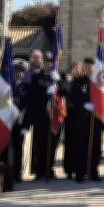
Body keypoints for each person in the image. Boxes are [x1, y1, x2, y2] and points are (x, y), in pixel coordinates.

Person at [22, 50, 67, 180]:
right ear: (43, 63)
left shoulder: (59, 75)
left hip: (55, 117)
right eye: (46, 62)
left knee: (53, 144)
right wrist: (46, 91)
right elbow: (33, 97)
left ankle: (50, 169)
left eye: (51, 62)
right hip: (41, 116)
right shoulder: (37, 76)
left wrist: (58, 82)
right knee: (40, 144)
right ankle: (39, 171)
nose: (48, 65)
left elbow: (66, 91)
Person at [66, 58, 102, 182]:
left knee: (95, 147)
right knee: (80, 147)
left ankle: (93, 171)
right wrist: (82, 105)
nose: (88, 69)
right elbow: (71, 100)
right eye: (86, 67)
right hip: (80, 120)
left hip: (95, 120)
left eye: (90, 67)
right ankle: (79, 173)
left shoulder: (99, 83)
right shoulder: (77, 82)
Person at [11, 58, 29, 182]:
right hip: (7, 121)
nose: (19, 73)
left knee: (18, 148)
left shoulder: (26, 87)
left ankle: (17, 173)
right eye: (16, 71)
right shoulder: (7, 85)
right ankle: (6, 171)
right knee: (6, 148)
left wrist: (25, 126)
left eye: (21, 71)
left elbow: (28, 106)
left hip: (20, 122)